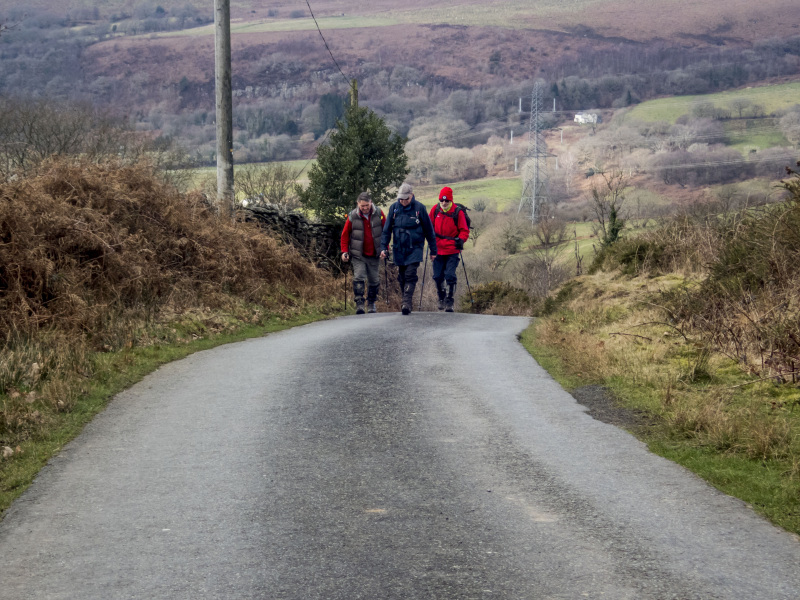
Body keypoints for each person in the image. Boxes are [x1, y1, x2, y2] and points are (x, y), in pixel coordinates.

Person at [380, 182, 437, 315]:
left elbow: (429, 231)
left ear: (411, 196)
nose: (403, 201)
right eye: (401, 198)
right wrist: (383, 247)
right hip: (399, 248)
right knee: (402, 277)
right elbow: (387, 230)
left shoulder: (420, 209)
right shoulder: (394, 208)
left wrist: (433, 250)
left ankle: (406, 302)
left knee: (410, 274)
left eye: (406, 198)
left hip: (415, 248)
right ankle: (405, 300)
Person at [341, 191, 386, 314]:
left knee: (374, 280)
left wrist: (384, 248)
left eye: (367, 205)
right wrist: (344, 251)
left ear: (371, 202)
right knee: (359, 277)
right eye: (362, 206)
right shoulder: (352, 216)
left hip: (374, 254)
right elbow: (345, 235)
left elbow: (385, 231)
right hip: (358, 254)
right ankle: (359, 303)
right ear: (358, 204)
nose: (365, 208)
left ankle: (371, 303)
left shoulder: (379, 213)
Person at [429, 186, 469, 312]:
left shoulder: (457, 212)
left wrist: (461, 240)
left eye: (446, 201)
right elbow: (428, 227)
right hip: (438, 249)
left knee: (450, 275)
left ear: (451, 200)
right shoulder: (435, 210)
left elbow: (464, 230)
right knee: (437, 276)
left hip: (452, 249)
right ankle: (441, 297)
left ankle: (449, 301)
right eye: (442, 200)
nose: (444, 203)